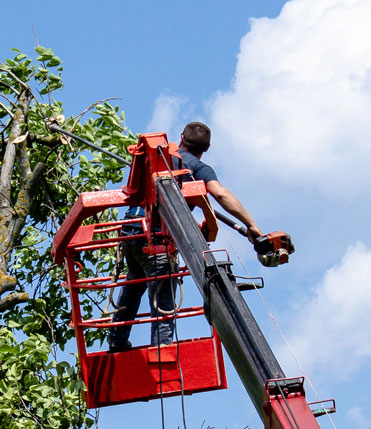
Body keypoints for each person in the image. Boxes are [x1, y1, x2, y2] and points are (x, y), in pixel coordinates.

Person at [108, 122, 262, 351]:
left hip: (130, 230)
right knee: (163, 299)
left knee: (133, 283)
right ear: (207, 147)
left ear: (181, 138)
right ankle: (163, 351)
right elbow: (219, 193)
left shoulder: (157, 158)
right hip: (156, 238)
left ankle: (117, 340)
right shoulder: (198, 168)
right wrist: (252, 226)